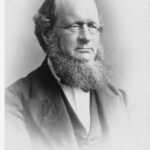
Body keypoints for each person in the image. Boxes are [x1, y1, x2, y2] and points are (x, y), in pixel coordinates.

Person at [5, 0, 128, 150]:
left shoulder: (120, 100)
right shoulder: (14, 100)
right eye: (74, 26)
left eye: (92, 26)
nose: (86, 37)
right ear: (46, 33)